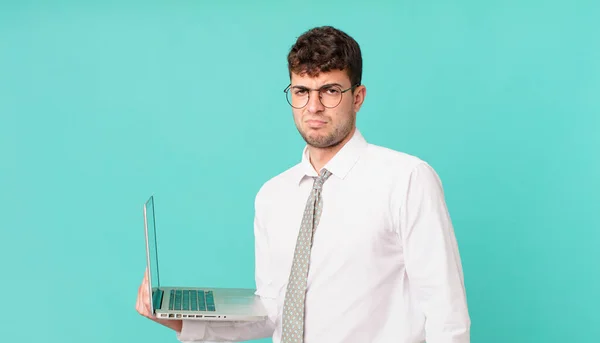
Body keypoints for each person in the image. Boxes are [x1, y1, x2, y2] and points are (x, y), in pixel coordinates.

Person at [136, 25, 471, 343]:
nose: (314, 106)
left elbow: (447, 316)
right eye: (302, 91)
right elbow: (272, 313)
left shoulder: (407, 180)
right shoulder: (272, 196)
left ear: (358, 97)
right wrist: (182, 321)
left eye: (330, 91)